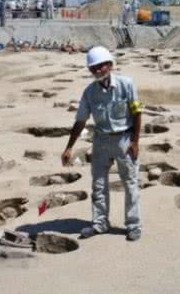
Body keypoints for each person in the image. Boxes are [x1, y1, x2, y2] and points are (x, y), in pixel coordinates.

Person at [61, 46, 143, 241]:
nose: (97, 71)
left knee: (130, 183)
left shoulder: (127, 84)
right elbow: (80, 120)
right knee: (98, 184)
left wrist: (135, 141)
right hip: (101, 140)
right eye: (93, 68)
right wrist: (69, 147)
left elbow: (137, 112)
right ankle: (100, 223)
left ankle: (133, 225)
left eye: (101, 66)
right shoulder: (89, 92)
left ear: (110, 65)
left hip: (124, 139)